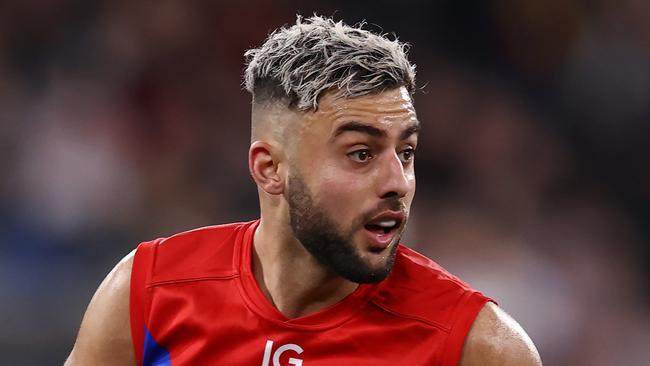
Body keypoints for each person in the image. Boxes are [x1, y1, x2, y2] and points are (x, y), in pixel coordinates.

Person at [65, 15, 542, 366]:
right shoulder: (147, 294)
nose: (397, 181)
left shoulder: (475, 347)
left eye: (407, 151)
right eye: (361, 153)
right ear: (270, 169)